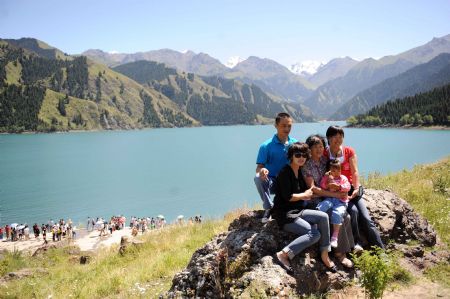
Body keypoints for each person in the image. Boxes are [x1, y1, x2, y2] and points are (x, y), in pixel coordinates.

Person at [271, 142, 336, 274]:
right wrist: (304, 195)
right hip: (285, 214)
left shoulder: (299, 171)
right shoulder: (284, 172)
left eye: (304, 155)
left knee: (323, 217)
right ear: (291, 156)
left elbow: (305, 192)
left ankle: (325, 254)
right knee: (313, 234)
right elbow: (288, 196)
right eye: (297, 155)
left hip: (298, 210)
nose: (301, 157)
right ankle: (284, 254)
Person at [325, 125, 384, 249]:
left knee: (366, 218)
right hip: (337, 193)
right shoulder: (325, 153)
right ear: (329, 138)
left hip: (351, 188)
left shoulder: (348, 151)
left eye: (341, 136)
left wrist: (356, 188)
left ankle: (381, 250)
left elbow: (355, 171)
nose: (338, 139)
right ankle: (357, 243)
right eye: (335, 136)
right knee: (353, 212)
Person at [302, 134, 355, 268]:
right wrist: (335, 194)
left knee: (346, 215)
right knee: (337, 215)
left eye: (321, 146)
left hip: (329, 197)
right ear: (309, 149)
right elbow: (313, 189)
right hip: (316, 200)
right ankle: (340, 254)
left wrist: (341, 189)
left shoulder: (325, 161)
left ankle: (347, 249)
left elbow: (338, 176)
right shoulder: (306, 165)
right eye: (315, 147)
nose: (319, 149)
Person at [255, 112, 298, 223]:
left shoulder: (295, 144)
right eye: (283, 125)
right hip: (273, 182)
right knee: (257, 177)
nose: (287, 128)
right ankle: (269, 207)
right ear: (276, 125)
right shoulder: (266, 146)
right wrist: (262, 170)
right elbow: (259, 167)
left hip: (290, 183)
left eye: (289, 126)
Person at [317, 159, 351, 248]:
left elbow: (348, 187)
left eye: (338, 170)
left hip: (341, 201)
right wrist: (327, 183)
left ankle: (334, 237)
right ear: (329, 171)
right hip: (330, 198)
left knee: (337, 213)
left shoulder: (343, 178)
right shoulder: (327, 178)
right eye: (333, 171)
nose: (336, 173)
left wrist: (339, 186)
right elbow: (322, 185)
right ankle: (314, 220)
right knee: (324, 205)